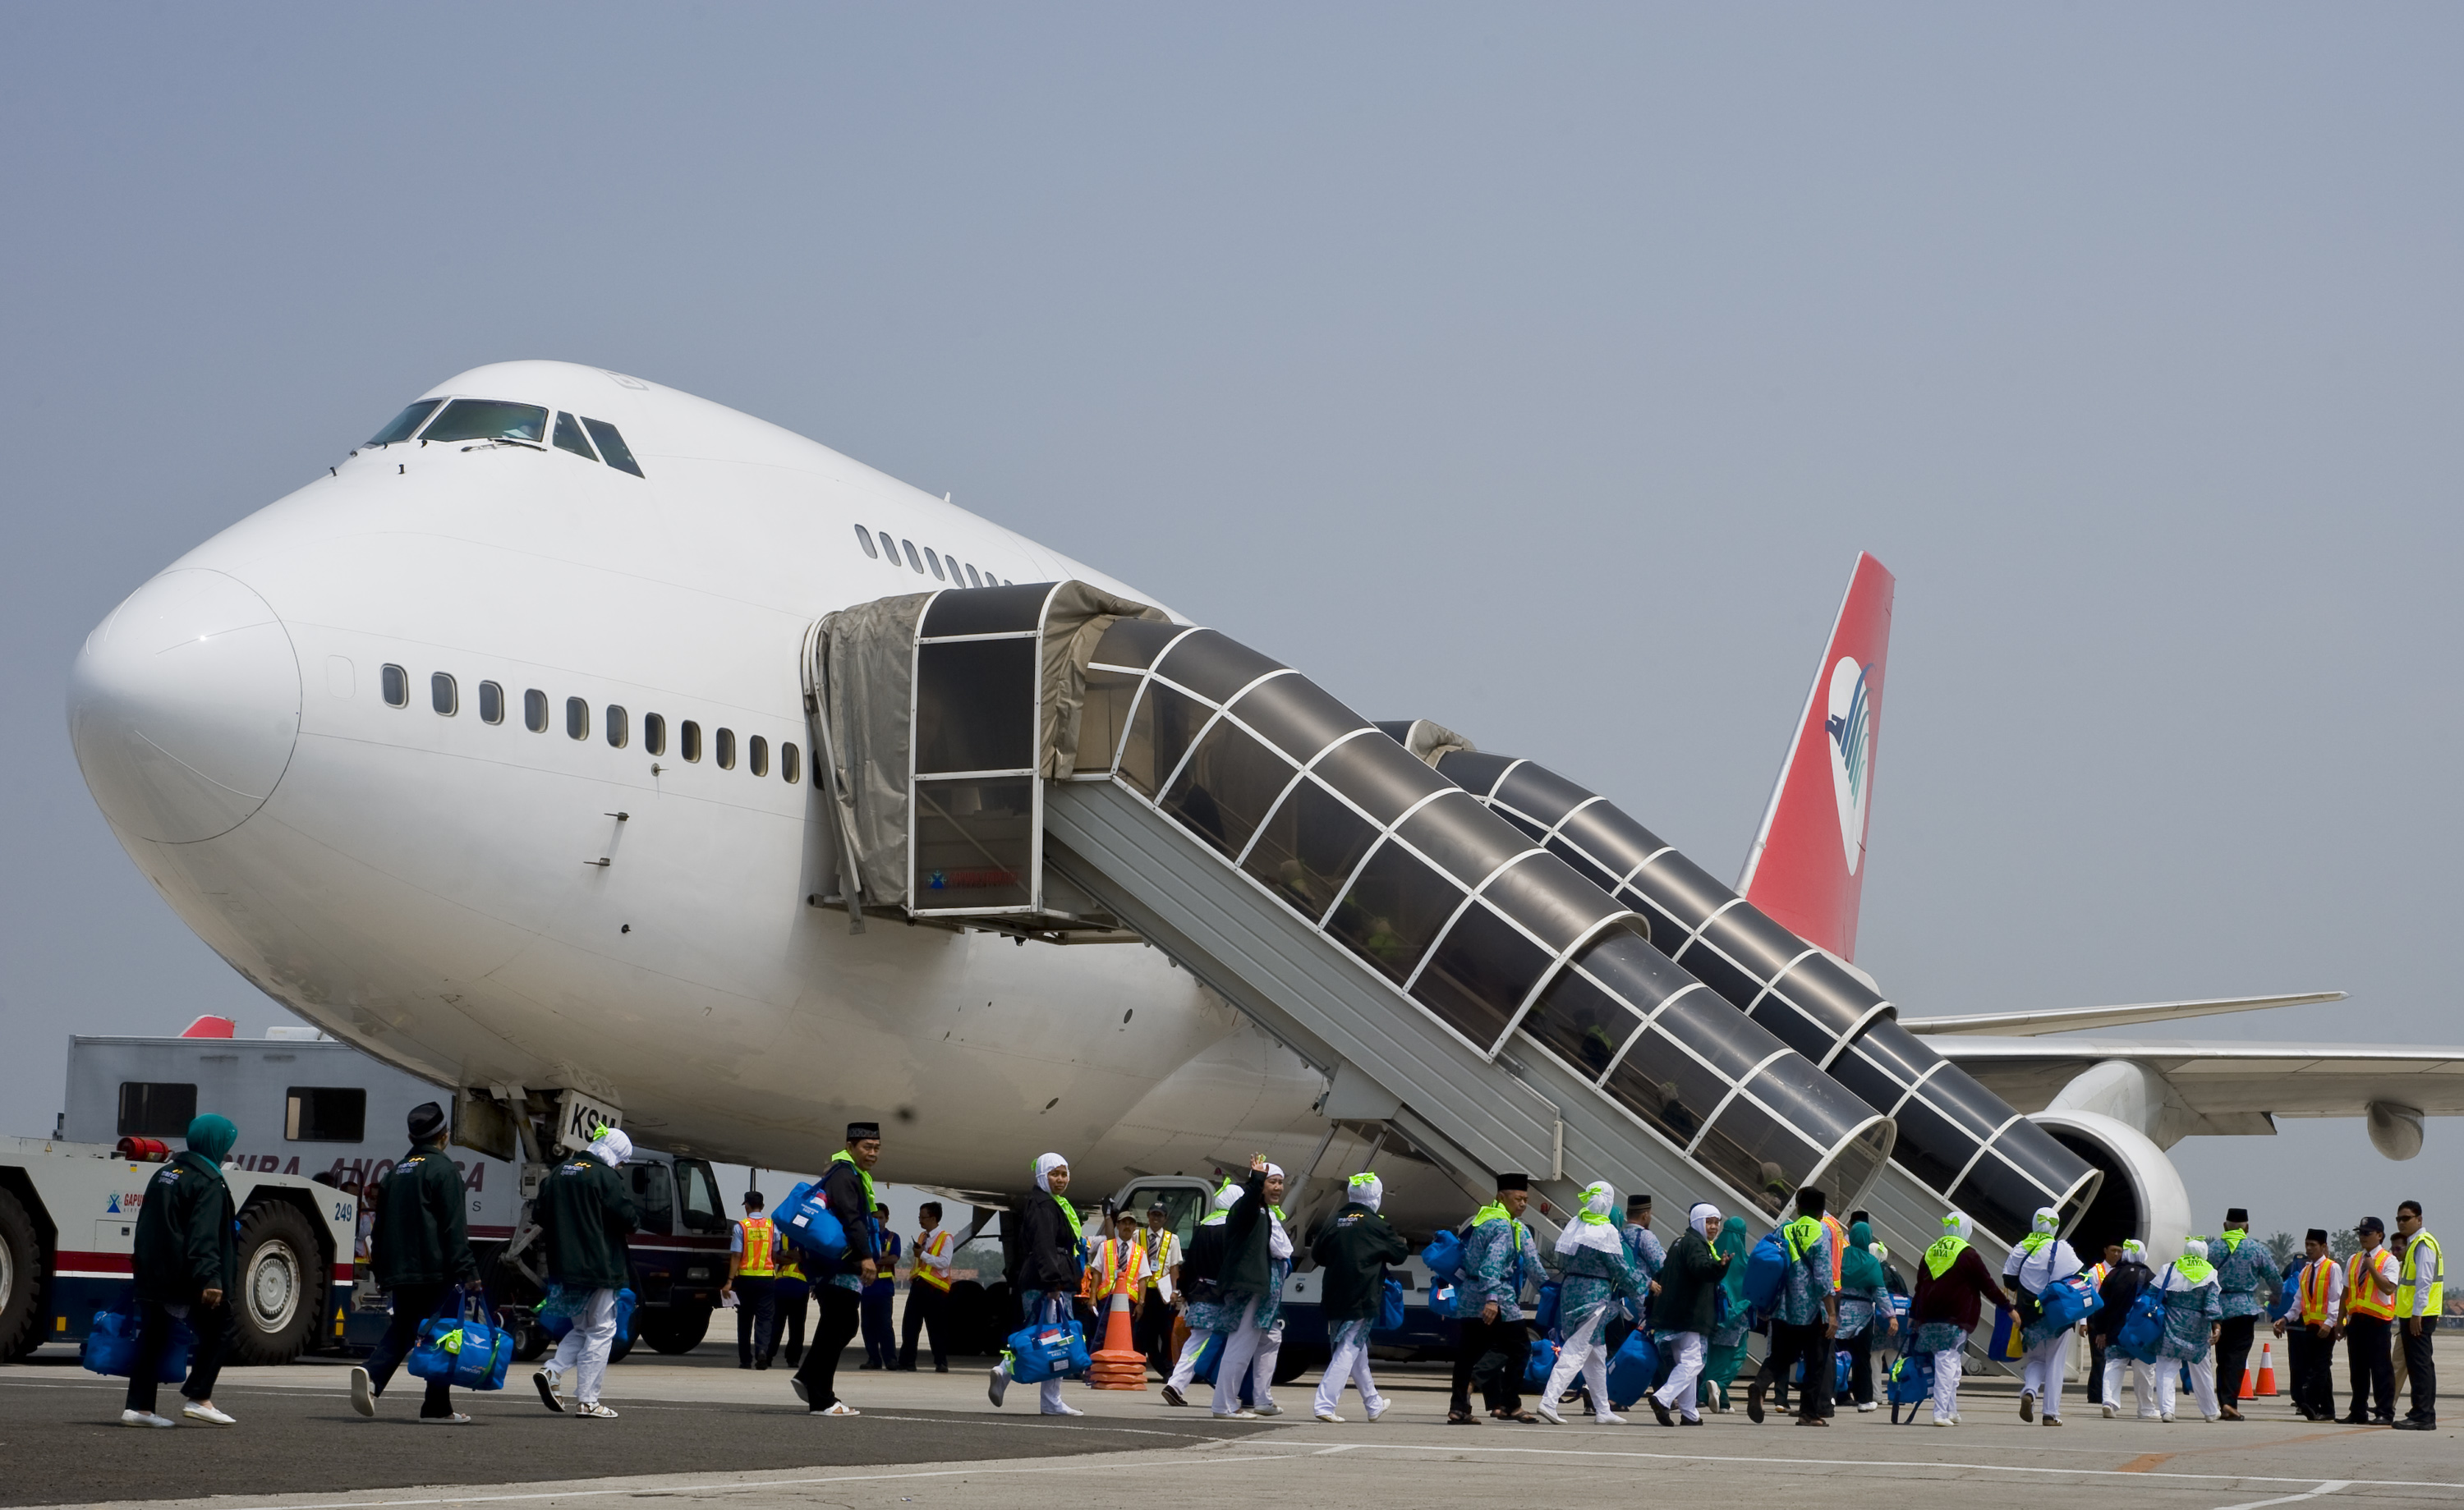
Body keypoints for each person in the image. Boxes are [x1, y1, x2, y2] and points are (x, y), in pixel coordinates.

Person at [351, 1102, 481, 1422]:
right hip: (436, 1271)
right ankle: (436, 1406)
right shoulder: (444, 1170)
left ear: (412, 1137)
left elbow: (379, 1229)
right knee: (445, 1335)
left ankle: (372, 1377)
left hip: (400, 1271)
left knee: (404, 1329)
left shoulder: (395, 1173)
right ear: (444, 1136)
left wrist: (380, 1269)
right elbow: (453, 1227)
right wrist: (468, 1271)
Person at [121, 1113, 240, 1428]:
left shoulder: (164, 1173)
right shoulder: (209, 1182)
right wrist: (210, 1278)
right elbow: (204, 1236)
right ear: (217, 1143)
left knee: (154, 1335)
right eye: (227, 1142)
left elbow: (146, 1226)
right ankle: (199, 1397)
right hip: (185, 1277)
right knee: (221, 1327)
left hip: (154, 1275)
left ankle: (139, 1408)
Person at [531, 1126, 639, 1420]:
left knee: (582, 1328)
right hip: (599, 1266)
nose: (620, 1167)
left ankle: (551, 1372)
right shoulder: (605, 1177)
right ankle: (588, 1401)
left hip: (564, 1267)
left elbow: (538, 1214)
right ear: (615, 1155)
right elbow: (629, 1218)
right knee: (603, 1330)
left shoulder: (558, 1172)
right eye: (622, 1162)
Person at [791, 1122, 885, 1416]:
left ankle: (808, 1378)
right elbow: (851, 1218)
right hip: (839, 1265)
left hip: (835, 1266)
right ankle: (822, 1399)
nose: (873, 1153)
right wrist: (866, 1257)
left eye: (877, 1148)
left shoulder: (849, 1174)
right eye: (867, 1147)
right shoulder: (845, 1175)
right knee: (839, 1326)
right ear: (850, 1147)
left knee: (840, 1326)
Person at [1536, 1182, 1645, 1425]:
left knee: (1596, 1354)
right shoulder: (1605, 1231)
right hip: (1595, 1296)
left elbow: (1562, 1257)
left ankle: (1602, 1409)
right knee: (1577, 1350)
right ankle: (1549, 1401)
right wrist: (1644, 1287)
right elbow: (1620, 1269)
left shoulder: (1577, 1224)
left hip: (1571, 1291)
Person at [988, 1151, 1086, 1416]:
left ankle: (1004, 1371)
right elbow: (1044, 1246)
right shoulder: (1045, 1207)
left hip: (1042, 1277)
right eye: (1054, 1174)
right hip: (1048, 1281)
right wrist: (1053, 1282)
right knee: (1056, 1340)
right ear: (1042, 1176)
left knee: (1039, 1335)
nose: (1060, 1179)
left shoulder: (1046, 1203)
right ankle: (1050, 1400)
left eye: (1064, 1174)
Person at [1311, 1171, 1410, 1422]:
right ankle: (1325, 1404)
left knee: (1357, 1351)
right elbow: (1399, 1254)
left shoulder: (1334, 1221)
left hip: (1333, 1294)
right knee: (1349, 1348)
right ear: (1375, 1198)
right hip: (1363, 1295)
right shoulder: (1377, 1225)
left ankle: (1373, 1403)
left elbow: (1318, 1256)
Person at [1448, 1172, 1537, 1425]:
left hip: (1469, 1297)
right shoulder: (1503, 1226)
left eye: (1526, 1199)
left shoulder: (1485, 1219)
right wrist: (1492, 1299)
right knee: (1520, 1348)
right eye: (1518, 1198)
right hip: (1496, 1299)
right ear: (1501, 1197)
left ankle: (1458, 1408)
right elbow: (1490, 1267)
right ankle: (1511, 1404)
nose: (1523, 1204)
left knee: (1468, 1354)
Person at [1910, 1211, 2009, 1427]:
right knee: (1947, 1364)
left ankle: (1951, 1410)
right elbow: (1988, 1285)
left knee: (1952, 1365)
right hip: (1955, 1318)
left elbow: (1920, 1286)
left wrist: (1913, 1314)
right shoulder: (1968, 1254)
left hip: (1929, 1318)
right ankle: (1939, 1413)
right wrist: (2008, 1308)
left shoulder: (1930, 1251)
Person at [1749, 1186, 1837, 1426]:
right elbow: (1823, 1277)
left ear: (1798, 1208)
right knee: (1815, 1361)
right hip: (1810, 1311)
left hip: (1782, 1307)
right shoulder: (1822, 1231)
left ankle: (1759, 1385)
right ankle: (1808, 1413)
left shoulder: (1784, 1229)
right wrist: (1831, 1313)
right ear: (1821, 1212)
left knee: (1780, 1356)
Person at [1214, 1157, 1293, 1420]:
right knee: (1241, 1345)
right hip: (1248, 1288)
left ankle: (1262, 1399)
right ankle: (1224, 1405)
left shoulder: (1264, 1213)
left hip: (1262, 1289)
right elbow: (1247, 1203)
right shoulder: (1245, 1210)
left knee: (1271, 1338)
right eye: (1272, 1182)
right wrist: (1256, 1179)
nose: (1278, 1188)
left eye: (1281, 1182)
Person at [1644, 1203, 1731, 1426]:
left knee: (1685, 1363)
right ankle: (1663, 1398)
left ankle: (1689, 1413)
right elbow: (1700, 1267)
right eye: (1708, 1222)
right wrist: (1719, 1267)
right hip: (1690, 1315)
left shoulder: (1680, 1241)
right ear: (1696, 1222)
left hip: (1674, 1313)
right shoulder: (1695, 1244)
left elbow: (1664, 1272)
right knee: (1694, 1362)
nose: (1713, 1227)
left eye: (1716, 1222)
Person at [2002, 1206, 2082, 1425]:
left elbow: (2008, 1280)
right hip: (2058, 1314)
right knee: (2055, 1361)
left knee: (2036, 1359)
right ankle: (2050, 1414)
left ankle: (2029, 1391)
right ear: (2055, 1226)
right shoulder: (2062, 1248)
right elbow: (2077, 1278)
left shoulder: (2022, 1247)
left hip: (2029, 1314)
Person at [1161, 1179, 1236, 1407]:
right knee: (1229, 1344)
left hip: (1200, 1294)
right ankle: (1227, 1390)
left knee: (1196, 1341)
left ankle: (1175, 1385)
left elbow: (1189, 1264)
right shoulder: (1233, 1229)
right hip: (1222, 1297)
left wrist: (1185, 1291)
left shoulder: (1204, 1227)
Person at [2150, 1237, 2226, 1422]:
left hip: (2171, 1323)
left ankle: (2167, 1410)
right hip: (2197, 1328)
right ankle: (2209, 1411)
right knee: (2201, 1370)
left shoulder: (2169, 1268)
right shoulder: (2210, 1273)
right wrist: (2216, 1325)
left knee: (2166, 1367)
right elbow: (2211, 1304)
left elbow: (2152, 1293)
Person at [2336, 1215, 2401, 1425]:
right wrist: (2340, 1321)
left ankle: (2384, 1412)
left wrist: (2372, 1268)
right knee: (2358, 1370)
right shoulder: (2354, 1259)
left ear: (2379, 1235)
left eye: (2367, 1233)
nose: (2362, 1237)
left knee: (2381, 1369)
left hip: (2378, 1322)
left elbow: (2389, 1287)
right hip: (2356, 1322)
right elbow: (2345, 1292)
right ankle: (2358, 1411)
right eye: (2360, 1233)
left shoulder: (2388, 1260)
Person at [2273, 1229, 2342, 1421]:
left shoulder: (2332, 1268)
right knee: (2320, 1368)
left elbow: (2336, 1298)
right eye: (2307, 1245)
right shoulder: (2305, 1271)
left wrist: (2330, 1323)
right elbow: (2298, 1302)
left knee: (2319, 1367)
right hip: (2310, 1325)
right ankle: (2328, 1409)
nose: (2309, 1249)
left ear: (2323, 1247)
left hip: (2326, 1326)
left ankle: (2309, 1402)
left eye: (2313, 1245)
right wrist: (2285, 1319)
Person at [2211, 1208, 2273, 1419]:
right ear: (2247, 1227)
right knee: (2237, 1358)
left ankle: (2224, 1403)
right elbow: (2273, 1276)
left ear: (2225, 1226)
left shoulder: (2213, 1249)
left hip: (2218, 1309)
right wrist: (2277, 1297)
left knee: (2222, 1359)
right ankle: (2230, 1402)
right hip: (2245, 1309)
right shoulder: (2256, 1249)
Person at [2391, 1200, 2441, 1430]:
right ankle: (2420, 1411)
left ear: (2419, 1219)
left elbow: (2424, 1282)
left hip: (2419, 1315)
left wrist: (2416, 1315)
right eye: (2399, 1219)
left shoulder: (2423, 1244)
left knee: (2420, 1365)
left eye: (2406, 1218)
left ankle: (2423, 1415)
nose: (2402, 1223)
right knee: (2418, 1365)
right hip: (2414, 1314)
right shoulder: (2414, 1244)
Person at [2094, 1238, 2156, 1420]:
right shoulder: (2150, 1277)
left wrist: (2100, 1331)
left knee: (2114, 1365)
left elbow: (2101, 1305)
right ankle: (2145, 1409)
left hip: (2115, 1331)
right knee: (2144, 1370)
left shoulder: (2112, 1275)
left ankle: (2109, 1402)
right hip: (2141, 1334)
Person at [1835, 1219, 1891, 1413]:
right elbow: (1880, 1292)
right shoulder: (1870, 1262)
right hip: (1863, 1317)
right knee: (1862, 1360)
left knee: (1835, 1358)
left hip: (1839, 1313)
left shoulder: (1840, 1257)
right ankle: (1864, 1399)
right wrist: (1890, 1316)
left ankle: (1833, 1395)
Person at [1701, 1209, 1750, 1413]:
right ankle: (1715, 1386)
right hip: (1737, 1319)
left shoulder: (1714, 1253)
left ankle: (1723, 1402)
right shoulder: (1745, 1262)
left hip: (1714, 1316)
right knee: (1735, 1357)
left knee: (1714, 1356)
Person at [724, 1191, 779, 1370]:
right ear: (762, 1206)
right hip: (766, 1279)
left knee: (745, 1319)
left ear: (746, 1205)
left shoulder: (741, 1227)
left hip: (746, 1279)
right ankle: (762, 1351)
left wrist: (729, 1280)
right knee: (765, 1319)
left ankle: (745, 1360)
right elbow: (775, 1252)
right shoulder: (772, 1226)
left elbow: (736, 1255)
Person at [898, 1201, 954, 1372]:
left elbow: (944, 1262)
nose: (920, 1221)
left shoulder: (946, 1238)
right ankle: (907, 1361)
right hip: (919, 1285)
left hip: (935, 1289)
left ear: (933, 1218)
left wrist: (922, 1254)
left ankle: (941, 1362)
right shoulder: (923, 1237)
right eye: (919, 1217)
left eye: (923, 1217)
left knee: (936, 1328)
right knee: (910, 1325)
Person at [1136, 1201, 1183, 1374]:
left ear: (1165, 1218)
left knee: (1166, 1332)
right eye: (1153, 1214)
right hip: (1143, 1290)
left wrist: (1175, 1290)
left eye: (1159, 1215)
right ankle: (1148, 1365)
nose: (1156, 1218)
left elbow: (1174, 1267)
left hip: (1162, 1292)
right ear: (1148, 1215)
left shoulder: (1173, 1239)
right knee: (1144, 1332)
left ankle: (1167, 1368)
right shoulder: (1137, 1235)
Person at [860, 1203, 900, 1369]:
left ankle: (890, 1359)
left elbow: (894, 1258)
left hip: (884, 1289)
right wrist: (882, 1256)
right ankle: (873, 1359)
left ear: (887, 1219)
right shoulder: (864, 1236)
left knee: (885, 1326)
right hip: (867, 1289)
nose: (877, 1221)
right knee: (867, 1327)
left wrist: (873, 1259)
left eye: (881, 1218)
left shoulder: (892, 1237)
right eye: (874, 1217)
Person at [771, 1248, 809, 1367]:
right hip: (797, 1286)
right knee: (796, 1326)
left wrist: (785, 1256)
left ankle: (768, 1355)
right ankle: (793, 1358)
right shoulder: (806, 1236)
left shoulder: (783, 1234)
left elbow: (775, 1255)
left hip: (784, 1285)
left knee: (777, 1324)